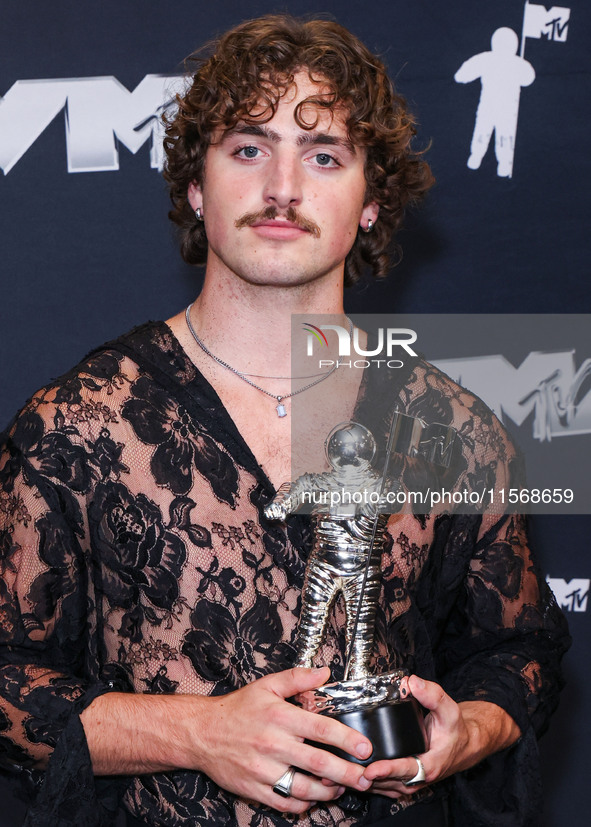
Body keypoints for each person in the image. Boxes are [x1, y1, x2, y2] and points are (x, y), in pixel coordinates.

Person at [0, 14, 569, 827]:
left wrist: (467, 730)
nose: (282, 186)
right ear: (197, 187)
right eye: (247, 147)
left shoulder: (453, 427)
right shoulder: (76, 426)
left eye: (324, 155)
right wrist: (197, 733)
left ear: (370, 203)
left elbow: (518, 651)